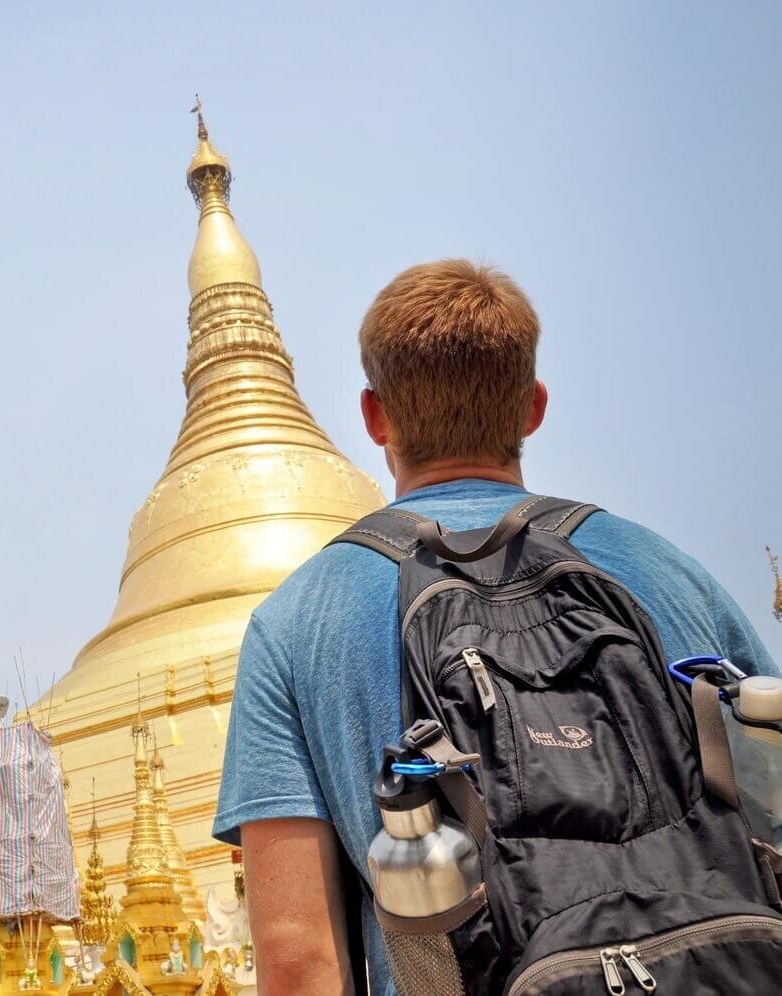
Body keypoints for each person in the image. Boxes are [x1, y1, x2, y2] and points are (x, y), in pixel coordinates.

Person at [212, 259, 778, 995]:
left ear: (373, 415)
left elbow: (298, 960)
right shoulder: (668, 571)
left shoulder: (294, 623)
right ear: (534, 406)